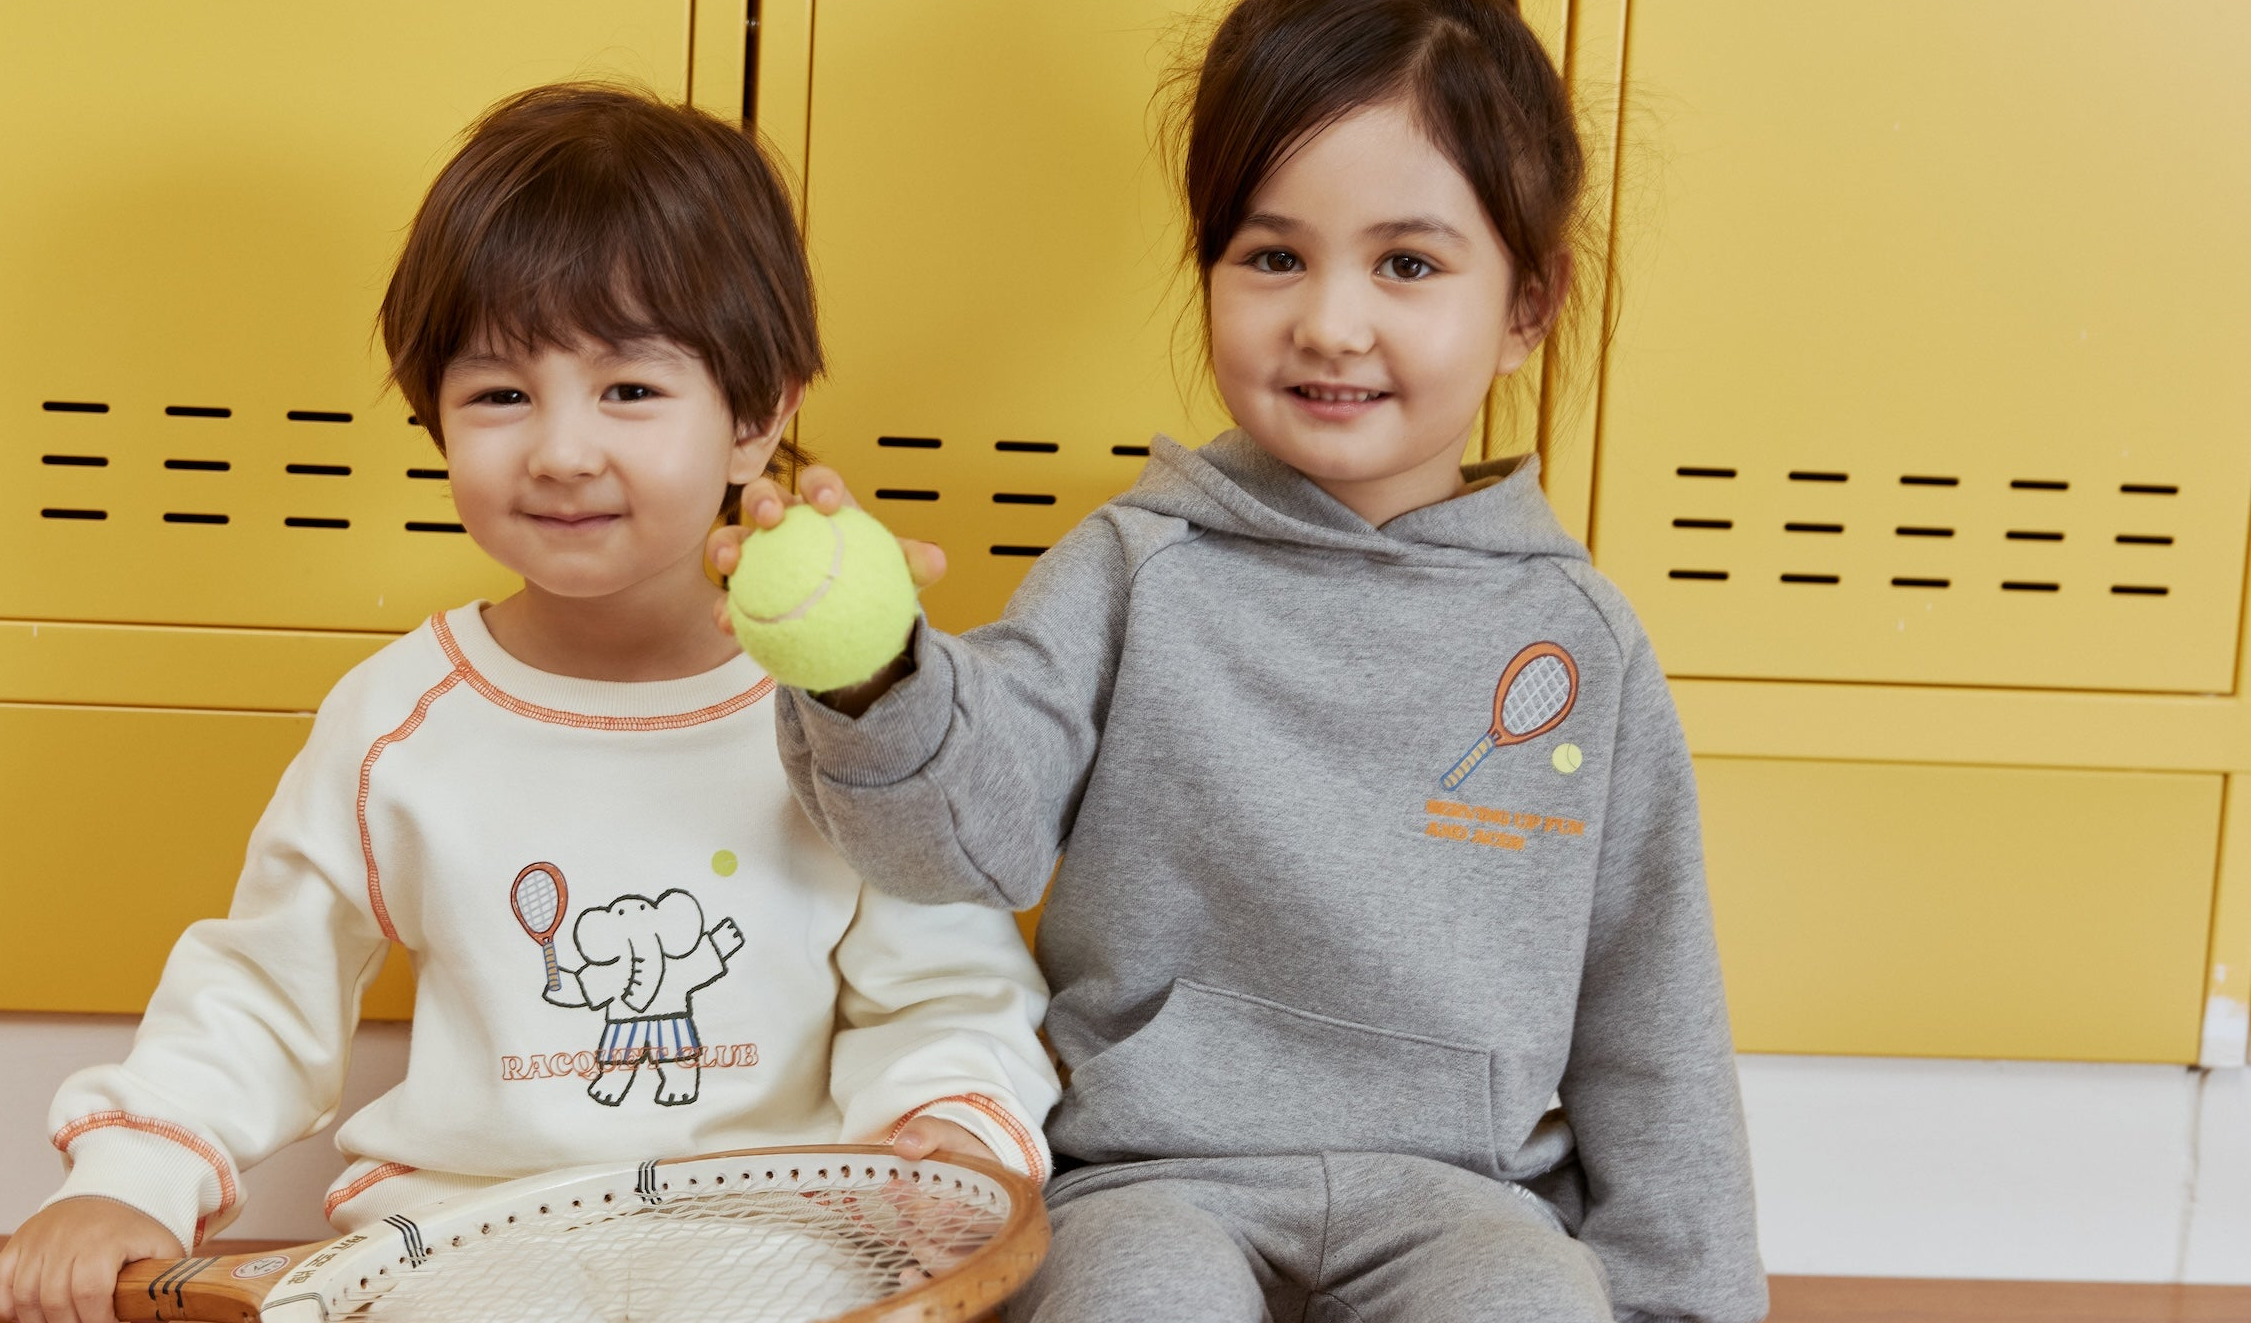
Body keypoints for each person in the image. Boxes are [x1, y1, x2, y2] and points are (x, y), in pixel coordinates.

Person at [713, 2, 1766, 1319]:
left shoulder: (1580, 640)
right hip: (1154, 1176)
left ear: (1526, 305)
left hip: (1465, 1196)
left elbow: (1649, 1011)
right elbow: (952, 846)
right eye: (1272, 254)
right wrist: (870, 674)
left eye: (1406, 265)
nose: (1327, 323)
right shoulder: (1132, 565)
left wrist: (1685, 1297)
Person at [0, 83, 1056, 1323]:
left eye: (630, 391)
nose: (558, 451)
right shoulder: (400, 716)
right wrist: (133, 1173)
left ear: (758, 416)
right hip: (456, 1246)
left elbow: (939, 985)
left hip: (776, 1239)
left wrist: (944, 1133)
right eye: (500, 394)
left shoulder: (848, 708)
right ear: (432, 410)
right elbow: (264, 986)